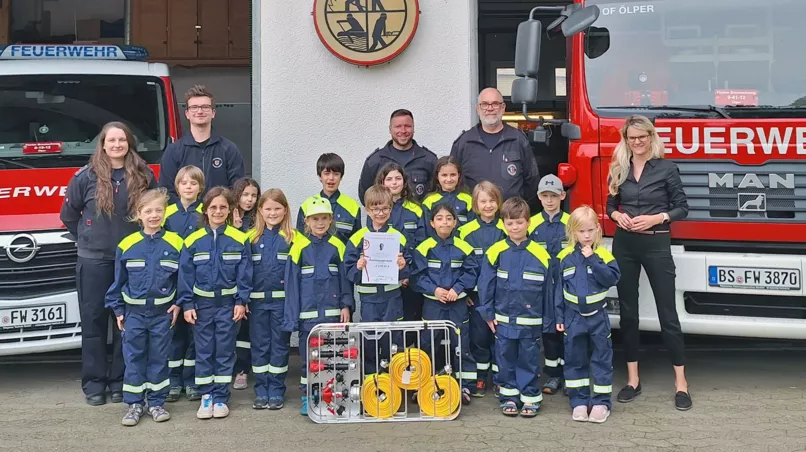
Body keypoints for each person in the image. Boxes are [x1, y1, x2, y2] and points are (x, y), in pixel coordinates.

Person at [60, 121, 157, 406]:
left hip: (131, 262)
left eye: (122, 140)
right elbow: (69, 215)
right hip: (93, 262)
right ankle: (94, 385)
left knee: (126, 324)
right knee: (94, 325)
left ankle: (120, 382)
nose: (116, 145)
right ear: (102, 144)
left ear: (129, 143)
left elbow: (154, 210)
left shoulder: (143, 175)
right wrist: (88, 237)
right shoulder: (85, 177)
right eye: (111, 140)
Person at [606, 114, 691, 411]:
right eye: (632, 138)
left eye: (642, 136)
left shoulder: (666, 168)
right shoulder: (619, 167)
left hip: (656, 243)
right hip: (625, 244)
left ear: (651, 137)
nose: (637, 142)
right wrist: (618, 216)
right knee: (628, 314)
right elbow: (610, 205)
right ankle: (632, 380)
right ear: (626, 140)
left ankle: (681, 384)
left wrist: (658, 217)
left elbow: (682, 207)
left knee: (668, 314)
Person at [104, 188, 183, 426]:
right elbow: (118, 282)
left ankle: (157, 403)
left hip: (162, 314)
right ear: (138, 214)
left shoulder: (176, 243)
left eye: (159, 210)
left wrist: (179, 304)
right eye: (148, 211)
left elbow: (184, 281)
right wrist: (118, 310)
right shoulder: (127, 245)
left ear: (165, 213)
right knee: (134, 358)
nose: (154, 215)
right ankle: (135, 404)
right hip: (134, 315)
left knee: (160, 357)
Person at [178, 187, 253, 420]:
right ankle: (206, 396)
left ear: (230, 209)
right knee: (203, 351)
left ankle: (221, 397)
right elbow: (185, 276)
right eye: (213, 207)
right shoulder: (192, 240)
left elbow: (245, 274)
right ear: (205, 209)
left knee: (224, 350)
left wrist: (242, 301)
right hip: (202, 306)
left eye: (223, 207)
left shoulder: (240, 239)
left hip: (228, 306)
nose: (218, 211)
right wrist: (187, 304)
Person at [476, 197, 553, 418]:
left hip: (531, 321)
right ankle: (508, 396)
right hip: (503, 320)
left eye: (519, 222)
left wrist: (548, 319)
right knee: (505, 359)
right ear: (503, 224)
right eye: (510, 223)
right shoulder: (496, 251)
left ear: (528, 222)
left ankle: (530, 397)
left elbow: (549, 290)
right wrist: (488, 314)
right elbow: (485, 285)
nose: (515, 227)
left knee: (529, 359)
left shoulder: (541, 254)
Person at [283, 197, 352, 416]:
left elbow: (345, 281)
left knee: (333, 357)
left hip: (333, 316)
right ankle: (308, 397)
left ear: (331, 220)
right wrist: (292, 319)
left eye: (324, 218)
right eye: (315, 219)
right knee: (309, 361)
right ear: (307, 222)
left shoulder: (338, 246)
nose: (320, 223)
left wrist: (346, 306)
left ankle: (331, 397)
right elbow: (292, 286)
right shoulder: (299, 247)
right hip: (308, 319)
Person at [555, 206, 621, 423]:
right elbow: (558, 290)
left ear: (598, 230)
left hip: (597, 317)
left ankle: (601, 402)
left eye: (590, 230)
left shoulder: (603, 253)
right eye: (581, 231)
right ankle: (579, 401)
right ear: (573, 232)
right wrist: (559, 317)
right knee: (575, 359)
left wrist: (593, 259)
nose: (586, 236)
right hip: (573, 317)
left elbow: (611, 279)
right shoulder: (564, 256)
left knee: (602, 359)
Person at [412, 203, 478, 405]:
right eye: (440, 218)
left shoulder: (464, 247)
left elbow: (471, 273)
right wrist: (435, 290)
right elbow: (417, 276)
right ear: (432, 223)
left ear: (455, 222)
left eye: (449, 218)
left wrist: (456, 290)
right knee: (427, 346)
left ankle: (466, 386)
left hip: (457, 306)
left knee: (462, 345)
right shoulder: (423, 248)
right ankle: (422, 385)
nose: (445, 222)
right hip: (433, 306)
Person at [344, 185, 409, 376]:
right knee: (370, 343)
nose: (380, 213)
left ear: (391, 209)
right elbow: (348, 271)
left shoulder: (399, 237)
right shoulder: (357, 238)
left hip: (392, 299)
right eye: (375, 209)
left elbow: (409, 269)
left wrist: (402, 266)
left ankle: (393, 387)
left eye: (385, 208)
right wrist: (358, 267)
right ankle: (372, 386)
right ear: (367, 210)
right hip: (369, 301)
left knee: (393, 343)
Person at [457, 181, 506, 397]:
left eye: (492, 200)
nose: (488, 205)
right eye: (483, 201)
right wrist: (465, 291)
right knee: (479, 338)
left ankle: (499, 379)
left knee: (499, 336)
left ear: (498, 202)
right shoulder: (465, 232)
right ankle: (479, 378)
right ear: (475, 204)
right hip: (475, 296)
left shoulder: (507, 227)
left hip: (502, 295)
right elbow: (459, 264)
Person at [248, 189, 295, 411]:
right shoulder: (250, 239)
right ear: (260, 211)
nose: (272, 213)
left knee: (279, 347)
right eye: (268, 208)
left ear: (285, 210)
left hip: (281, 304)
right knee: (259, 346)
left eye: (277, 208)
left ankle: (276, 390)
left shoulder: (294, 239)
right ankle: (261, 390)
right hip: (257, 305)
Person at [449, 87, 540, 203]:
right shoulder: (464, 142)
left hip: (509, 217)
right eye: (485, 104)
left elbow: (532, 182)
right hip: (474, 218)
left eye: (495, 104)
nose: (490, 108)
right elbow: (452, 180)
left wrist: (516, 209)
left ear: (503, 108)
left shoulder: (518, 140)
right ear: (478, 109)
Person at [163, 165, 205, 403]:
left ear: (200, 188)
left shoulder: (206, 213)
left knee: (194, 334)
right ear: (177, 186)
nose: (188, 187)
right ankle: (173, 381)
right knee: (173, 333)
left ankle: (191, 381)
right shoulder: (167, 213)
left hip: (197, 282)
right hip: (170, 282)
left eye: (193, 183)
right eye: (184, 183)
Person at [159, 85, 244, 202]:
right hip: (185, 217)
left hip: (219, 216)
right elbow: (167, 190)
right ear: (187, 114)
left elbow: (237, 188)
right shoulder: (173, 151)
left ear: (213, 113)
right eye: (194, 107)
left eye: (205, 107)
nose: (199, 111)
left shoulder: (229, 149)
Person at [527, 174, 570, 395]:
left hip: (567, 287)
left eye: (554, 195)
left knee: (569, 330)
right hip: (542, 288)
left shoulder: (571, 223)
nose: (550, 200)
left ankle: (570, 374)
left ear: (562, 195)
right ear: (539, 197)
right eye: (545, 196)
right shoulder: (531, 223)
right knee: (549, 331)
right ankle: (553, 375)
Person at [374, 163, 426, 322]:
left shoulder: (416, 209)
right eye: (389, 179)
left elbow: (422, 244)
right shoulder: (379, 210)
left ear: (404, 181)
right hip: (386, 281)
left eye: (398, 178)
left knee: (411, 323)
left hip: (411, 279)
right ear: (382, 183)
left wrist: (408, 274)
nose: (394, 182)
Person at [358, 109, 437, 204]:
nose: (403, 131)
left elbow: (438, 196)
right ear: (390, 129)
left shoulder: (429, 160)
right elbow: (365, 197)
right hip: (385, 217)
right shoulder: (375, 161)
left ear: (413, 128)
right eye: (398, 126)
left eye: (407, 126)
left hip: (418, 217)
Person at [230, 177, 261, 391]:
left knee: (246, 330)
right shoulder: (226, 216)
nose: (249, 200)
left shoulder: (257, 220)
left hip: (251, 283)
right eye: (245, 195)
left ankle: (242, 370)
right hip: (227, 282)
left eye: (253, 196)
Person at [297, 153, 361, 244]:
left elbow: (357, 243)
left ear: (341, 177)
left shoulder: (352, 206)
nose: (331, 178)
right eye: (326, 173)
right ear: (320, 176)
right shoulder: (307, 205)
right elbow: (300, 241)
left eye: (336, 174)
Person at [422, 156, 474, 236]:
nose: (449, 179)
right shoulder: (429, 201)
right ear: (437, 176)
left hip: (462, 246)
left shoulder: (468, 200)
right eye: (444, 175)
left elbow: (472, 228)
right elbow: (427, 230)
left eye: (453, 175)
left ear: (459, 175)